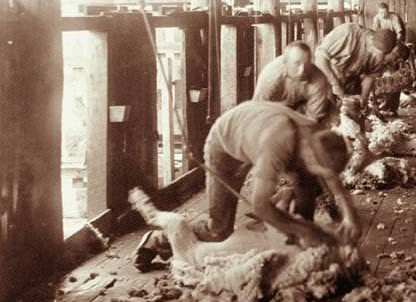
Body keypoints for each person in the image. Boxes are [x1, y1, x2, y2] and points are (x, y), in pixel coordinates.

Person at [134, 101, 361, 271]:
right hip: (225, 146)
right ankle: (157, 240)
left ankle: (302, 245)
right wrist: (305, 229)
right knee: (219, 229)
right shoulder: (278, 145)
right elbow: (261, 206)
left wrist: (349, 216)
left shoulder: (316, 133)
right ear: (308, 155)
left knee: (307, 185)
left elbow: (328, 175)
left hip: (254, 130)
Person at [314, 22, 397, 108]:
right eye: (377, 53)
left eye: (383, 54)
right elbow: (320, 57)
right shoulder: (348, 33)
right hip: (326, 73)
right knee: (327, 108)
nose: (379, 58)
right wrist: (335, 84)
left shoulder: (381, 55)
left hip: (349, 77)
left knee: (352, 108)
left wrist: (364, 98)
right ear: (370, 39)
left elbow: (370, 76)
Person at [253, 41, 334, 125]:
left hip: (302, 111)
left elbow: (312, 120)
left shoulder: (318, 79)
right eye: (296, 64)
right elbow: (258, 111)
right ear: (285, 62)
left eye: (306, 64)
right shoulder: (270, 76)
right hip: (274, 112)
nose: (302, 70)